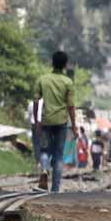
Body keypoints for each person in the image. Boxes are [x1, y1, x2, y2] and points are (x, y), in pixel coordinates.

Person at [33, 51, 78, 193]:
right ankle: (55, 189)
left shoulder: (42, 79)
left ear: (52, 63)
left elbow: (35, 101)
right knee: (59, 155)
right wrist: (75, 126)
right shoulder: (68, 82)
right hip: (61, 123)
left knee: (45, 150)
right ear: (65, 65)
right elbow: (71, 106)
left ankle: (45, 169)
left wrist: (36, 121)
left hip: (46, 121)